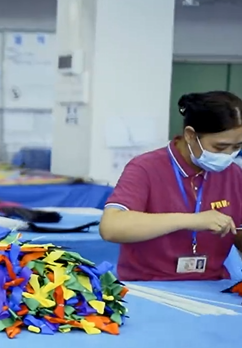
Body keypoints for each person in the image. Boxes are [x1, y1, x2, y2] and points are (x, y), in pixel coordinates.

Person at [100, 91, 242, 281]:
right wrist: (191, 220)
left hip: (211, 287)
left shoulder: (233, 174)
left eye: (237, 147)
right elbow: (111, 227)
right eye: (220, 147)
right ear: (191, 135)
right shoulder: (146, 168)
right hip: (149, 287)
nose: (228, 155)